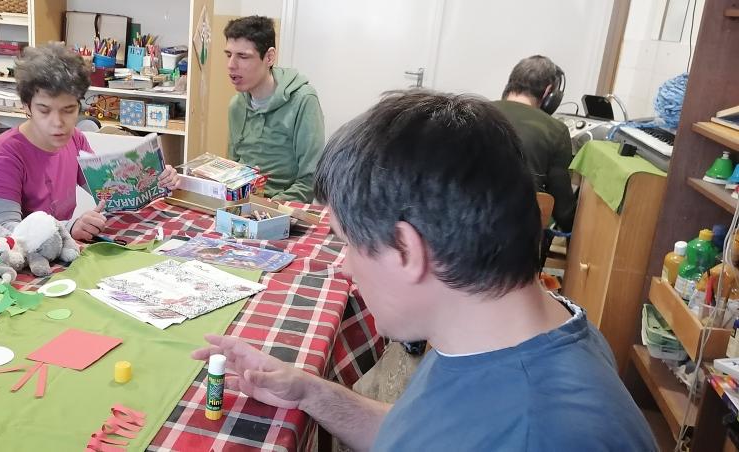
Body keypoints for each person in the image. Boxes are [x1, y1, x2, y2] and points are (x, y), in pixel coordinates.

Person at [193, 90, 656, 450]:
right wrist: (308, 393)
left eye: (348, 244)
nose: (346, 269)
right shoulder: (496, 333)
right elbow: (420, 434)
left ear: (406, 249)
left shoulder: (539, 433)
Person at [0, 43, 180, 252]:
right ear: (26, 107)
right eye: (44, 110)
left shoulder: (74, 139)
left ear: (79, 106)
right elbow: (5, 231)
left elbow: (107, 191)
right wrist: (68, 228)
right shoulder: (4, 154)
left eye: (68, 110)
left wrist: (155, 179)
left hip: (53, 252)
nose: (58, 123)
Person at [224, 16, 324, 203]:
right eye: (229, 55)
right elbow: (233, 169)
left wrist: (268, 207)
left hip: (284, 208)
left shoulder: (303, 100)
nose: (231, 65)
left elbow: (311, 179)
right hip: (242, 204)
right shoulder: (236, 105)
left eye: (243, 56)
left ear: (269, 57)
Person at [492, 55, 576, 232]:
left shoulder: (475, 112)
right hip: (517, 235)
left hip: (461, 229)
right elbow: (563, 211)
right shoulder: (556, 130)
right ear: (548, 93)